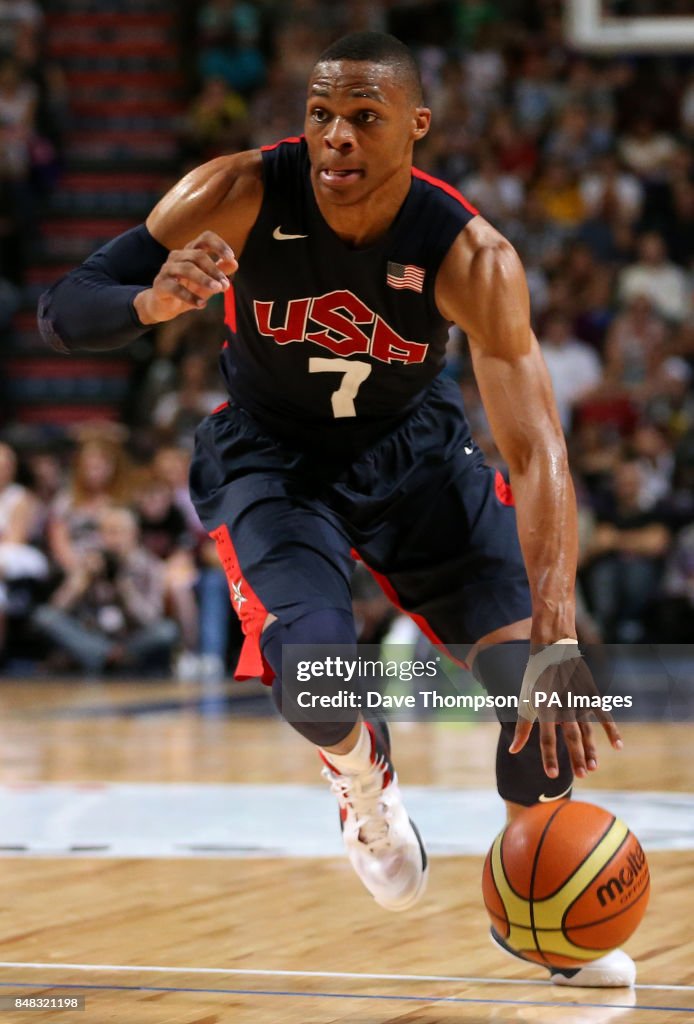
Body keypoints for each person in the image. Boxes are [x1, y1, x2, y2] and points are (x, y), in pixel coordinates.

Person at [38, 32, 630, 987]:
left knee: (548, 696)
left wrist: (559, 629)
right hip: (274, 463)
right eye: (322, 115)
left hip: (418, 459)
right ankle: (364, 779)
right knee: (316, 679)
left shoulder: (470, 253)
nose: (336, 137)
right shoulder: (236, 191)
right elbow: (66, 307)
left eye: (364, 117)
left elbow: (537, 448)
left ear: (416, 129)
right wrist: (151, 303)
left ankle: (548, 914)